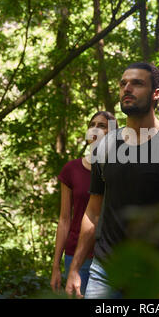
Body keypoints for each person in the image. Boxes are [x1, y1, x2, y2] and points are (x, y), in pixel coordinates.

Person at [65, 62, 159, 299]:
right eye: (123, 83)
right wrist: (76, 268)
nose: (127, 88)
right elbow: (92, 212)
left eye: (137, 83)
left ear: (156, 94)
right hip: (104, 273)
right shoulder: (106, 147)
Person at [50, 111, 117, 295]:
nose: (95, 129)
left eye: (102, 125)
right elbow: (64, 219)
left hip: (109, 257)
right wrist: (56, 265)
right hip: (75, 256)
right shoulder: (71, 169)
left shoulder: (120, 169)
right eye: (92, 124)